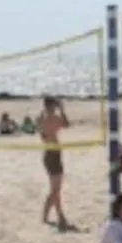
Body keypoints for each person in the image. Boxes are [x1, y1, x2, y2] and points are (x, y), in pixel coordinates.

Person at [39, 96, 71, 228]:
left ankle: (46, 216)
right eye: (53, 105)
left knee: (55, 189)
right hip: (50, 154)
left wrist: (62, 110)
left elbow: (67, 124)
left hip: (56, 153)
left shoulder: (52, 117)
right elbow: (44, 134)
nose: (54, 107)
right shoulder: (44, 118)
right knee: (55, 190)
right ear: (48, 106)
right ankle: (60, 216)